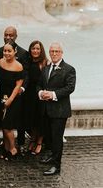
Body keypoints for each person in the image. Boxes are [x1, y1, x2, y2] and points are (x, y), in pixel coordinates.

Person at [38, 43, 76, 176]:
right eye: (52, 51)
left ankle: (56, 166)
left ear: (61, 53)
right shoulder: (46, 68)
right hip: (46, 109)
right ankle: (52, 157)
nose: (54, 53)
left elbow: (70, 88)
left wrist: (53, 94)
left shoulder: (69, 69)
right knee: (48, 137)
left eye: (57, 51)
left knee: (57, 138)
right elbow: (39, 84)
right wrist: (40, 93)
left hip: (59, 110)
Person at [0, 25, 30, 149]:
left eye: (10, 35)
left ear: (16, 36)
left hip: (17, 93)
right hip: (2, 93)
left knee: (14, 123)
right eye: (6, 34)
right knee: (4, 123)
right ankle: (6, 146)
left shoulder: (23, 53)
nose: (8, 37)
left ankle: (18, 145)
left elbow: (26, 74)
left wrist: (22, 88)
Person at [0, 40, 24, 159]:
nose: (7, 53)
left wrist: (10, 100)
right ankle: (6, 149)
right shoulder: (1, 62)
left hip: (13, 98)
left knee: (8, 126)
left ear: (15, 51)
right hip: (1, 96)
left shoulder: (18, 66)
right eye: (5, 51)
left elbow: (18, 85)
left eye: (9, 51)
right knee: (3, 125)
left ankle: (13, 149)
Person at [24, 40, 47, 155]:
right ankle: (32, 139)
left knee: (40, 120)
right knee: (31, 119)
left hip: (40, 95)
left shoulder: (44, 63)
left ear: (41, 50)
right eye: (33, 48)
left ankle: (39, 142)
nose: (35, 51)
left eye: (38, 48)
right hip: (29, 95)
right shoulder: (28, 61)